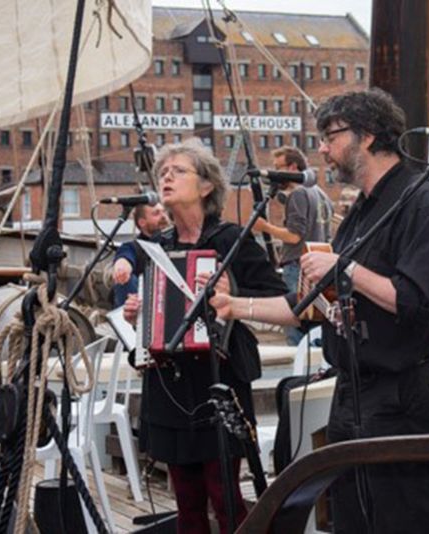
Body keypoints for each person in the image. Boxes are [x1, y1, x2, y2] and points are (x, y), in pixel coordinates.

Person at [208, 88, 429, 533]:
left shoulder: (421, 200)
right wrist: (234, 306)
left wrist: (345, 267)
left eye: (331, 135)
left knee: (401, 520)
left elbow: (416, 301)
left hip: (397, 395)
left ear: (369, 135)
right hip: (352, 392)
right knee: (352, 520)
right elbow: (309, 309)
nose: (322, 148)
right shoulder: (362, 210)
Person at [123, 138, 288, 533]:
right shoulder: (155, 246)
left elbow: (280, 298)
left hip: (219, 379)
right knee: (186, 502)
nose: (166, 177)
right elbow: (157, 311)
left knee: (224, 495)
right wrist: (138, 314)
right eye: (162, 172)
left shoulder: (229, 239)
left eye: (177, 171)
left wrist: (235, 297)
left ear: (206, 186)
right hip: (170, 383)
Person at [252, 146, 333, 345]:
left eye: (279, 168)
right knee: (314, 325)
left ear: (293, 167)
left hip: (298, 267)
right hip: (317, 266)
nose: (276, 173)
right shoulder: (321, 194)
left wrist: (264, 226)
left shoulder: (298, 194)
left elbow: (295, 236)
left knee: (294, 320)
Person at [111, 202, 169, 306]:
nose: (163, 216)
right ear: (142, 222)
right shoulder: (133, 247)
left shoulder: (177, 241)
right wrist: (122, 267)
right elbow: (125, 256)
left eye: (164, 212)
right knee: (126, 280)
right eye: (156, 214)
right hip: (146, 304)